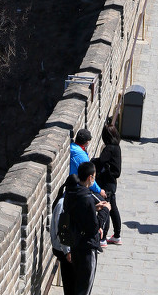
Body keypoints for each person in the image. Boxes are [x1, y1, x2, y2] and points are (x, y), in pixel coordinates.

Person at [64, 162, 110, 295]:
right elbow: (93, 227)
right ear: (90, 177)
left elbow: (76, 214)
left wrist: (94, 208)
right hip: (87, 247)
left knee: (76, 284)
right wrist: (105, 211)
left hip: (74, 243)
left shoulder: (71, 192)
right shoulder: (87, 197)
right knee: (85, 287)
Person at [95, 124, 122, 246]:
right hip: (113, 183)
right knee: (113, 209)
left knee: (106, 209)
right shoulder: (117, 147)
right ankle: (116, 235)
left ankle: (103, 238)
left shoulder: (109, 148)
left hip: (107, 183)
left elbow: (101, 161)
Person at [50, 180, 74, 294]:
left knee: (70, 281)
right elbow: (62, 232)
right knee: (69, 282)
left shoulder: (67, 201)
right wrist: (67, 251)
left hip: (64, 248)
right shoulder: (62, 204)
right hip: (62, 249)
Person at [69, 130, 106, 199]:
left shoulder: (72, 147)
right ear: (87, 142)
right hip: (78, 187)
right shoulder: (82, 156)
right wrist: (99, 190)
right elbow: (89, 177)